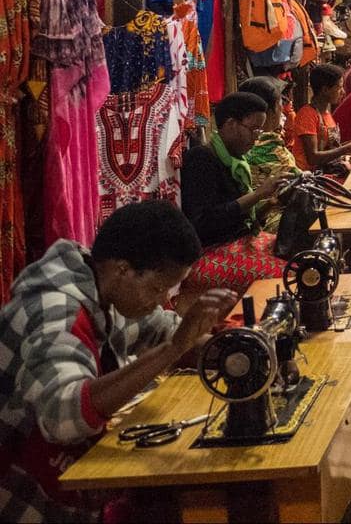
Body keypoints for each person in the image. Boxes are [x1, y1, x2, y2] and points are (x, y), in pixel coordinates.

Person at [0, 202, 237, 522]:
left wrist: (237, 351)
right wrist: (172, 349)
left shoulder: (99, 283)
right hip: (25, 501)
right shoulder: (56, 311)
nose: (160, 300)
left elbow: (164, 328)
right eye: (156, 288)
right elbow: (65, 417)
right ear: (124, 269)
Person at [179, 91, 290, 290]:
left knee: (302, 254)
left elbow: (239, 220)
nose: (256, 138)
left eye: (260, 132)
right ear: (231, 124)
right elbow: (202, 224)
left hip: (239, 241)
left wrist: (271, 203)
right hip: (209, 253)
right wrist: (256, 195)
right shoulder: (202, 159)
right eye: (254, 130)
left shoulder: (236, 162)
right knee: (290, 277)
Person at [240, 75, 296, 231]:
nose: (283, 109)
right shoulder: (271, 146)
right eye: (280, 103)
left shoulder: (239, 141)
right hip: (272, 224)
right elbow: (298, 182)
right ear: (269, 112)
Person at [291, 63, 351, 170]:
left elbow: (332, 147)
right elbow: (313, 158)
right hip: (311, 175)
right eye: (339, 87)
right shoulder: (307, 115)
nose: (343, 92)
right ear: (325, 90)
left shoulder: (326, 112)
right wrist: (350, 147)